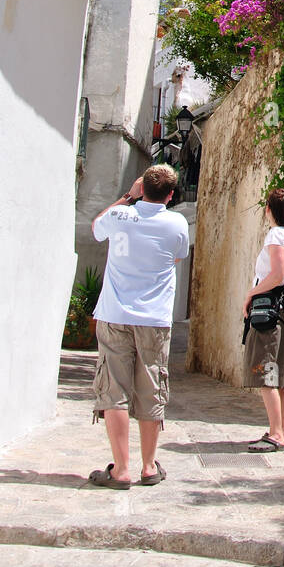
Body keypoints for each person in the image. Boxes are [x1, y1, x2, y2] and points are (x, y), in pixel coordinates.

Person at [87, 163, 190, 489]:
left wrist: (127, 197)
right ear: (171, 195)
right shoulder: (177, 223)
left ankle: (121, 469)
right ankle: (148, 466)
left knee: (113, 391)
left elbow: (96, 227)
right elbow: (176, 257)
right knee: (151, 389)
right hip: (154, 319)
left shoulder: (120, 216)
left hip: (115, 315)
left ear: (142, 188)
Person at [242, 187, 284, 452]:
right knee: (281, 370)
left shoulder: (275, 235)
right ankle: (282, 431)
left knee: (266, 368)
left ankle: (276, 433)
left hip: (271, 305)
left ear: (268, 210)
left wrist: (252, 293)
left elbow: (277, 274)